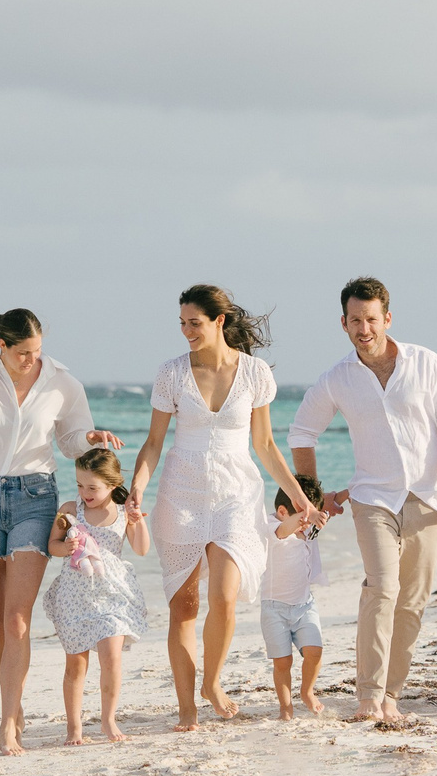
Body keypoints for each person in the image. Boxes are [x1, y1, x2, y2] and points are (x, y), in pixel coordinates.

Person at [128, 283, 319, 732]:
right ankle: (187, 709)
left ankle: (211, 682)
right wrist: (138, 487)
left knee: (225, 597)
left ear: (219, 321)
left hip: (236, 493)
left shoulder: (254, 373)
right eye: (182, 323)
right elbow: (153, 442)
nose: (187, 331)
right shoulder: (171, 374)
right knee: (184, 608)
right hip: (182, 493)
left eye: (194, 323)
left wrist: (298, 495)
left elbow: (265, 444)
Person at [290, 277, 437, 728]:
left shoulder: (426, 364)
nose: (364, 329)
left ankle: (392, 693)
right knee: (381, 588)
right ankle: (370, 695)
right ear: (343, 323)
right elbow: (301, 432)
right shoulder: (337, 378)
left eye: (371, 319)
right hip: (372, 497)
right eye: (355, 320)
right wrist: (312, 493)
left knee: (412, 600)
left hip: (428, 498)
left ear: (387, 319)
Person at [0, 309, 121, 756]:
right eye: (21, 353)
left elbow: (71, 441)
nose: (30, 360)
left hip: (35, 498)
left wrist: (89, 437)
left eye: (36, 351)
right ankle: (12, 706)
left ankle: (6, 724)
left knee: (17, 617)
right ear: (1, 345)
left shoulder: (62, 382)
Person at [44, 448, 150, 745]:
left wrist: (138, 520)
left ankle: (108, 719)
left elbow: (142, 549)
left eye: (92, 487)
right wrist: (65, 548)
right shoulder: (70, 510)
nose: (84, 493)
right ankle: (74, 727)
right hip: (75, 595)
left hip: (112, 595)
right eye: (80, 485)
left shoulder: (122, 513)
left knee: (112, 658)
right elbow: (52, 545)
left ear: (113, 485)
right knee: (76, 665)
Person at [259, 478, 329, 719]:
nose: (306, 523)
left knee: (315, 651)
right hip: (274, 609)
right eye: (303, 517)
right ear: (282, 512)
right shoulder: (272, 526)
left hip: (305, 605)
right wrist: (306, 516)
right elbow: (283, 531)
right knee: (283, 662)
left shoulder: (306, 529)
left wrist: (339, 498)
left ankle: (307, 691)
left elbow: (326, 508)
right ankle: (285, 706)